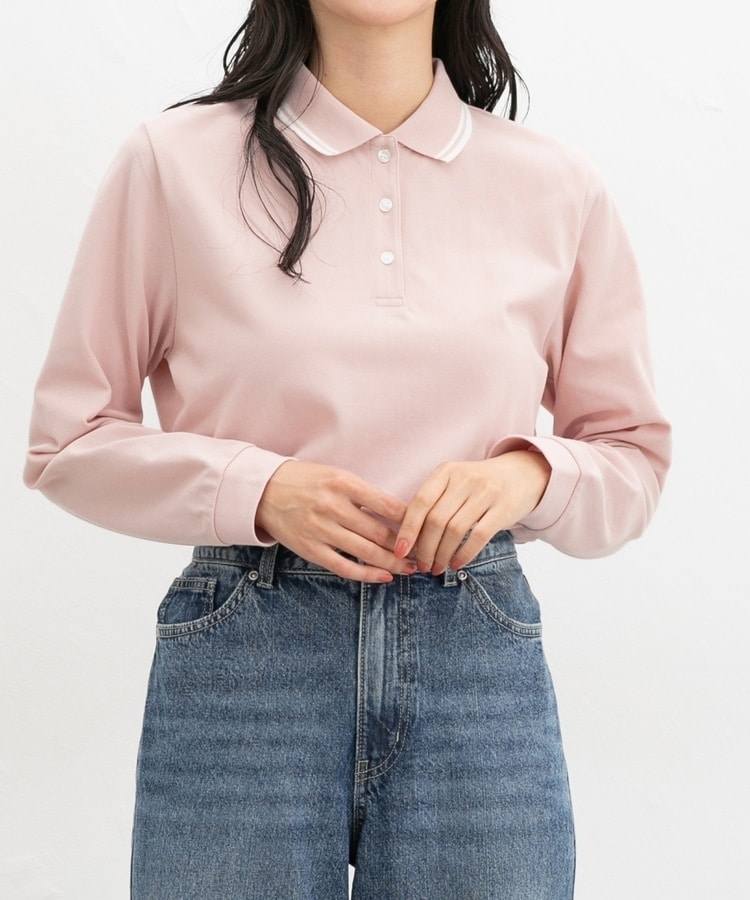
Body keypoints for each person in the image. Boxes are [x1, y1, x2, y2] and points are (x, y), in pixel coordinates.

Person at [24, 1, 671, 897]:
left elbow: (632, 458)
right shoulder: (172, 162)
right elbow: (67, 442)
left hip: (475, 652)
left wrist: (528, 474)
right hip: (249, 652)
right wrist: (258, 489)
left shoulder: (554, 185)